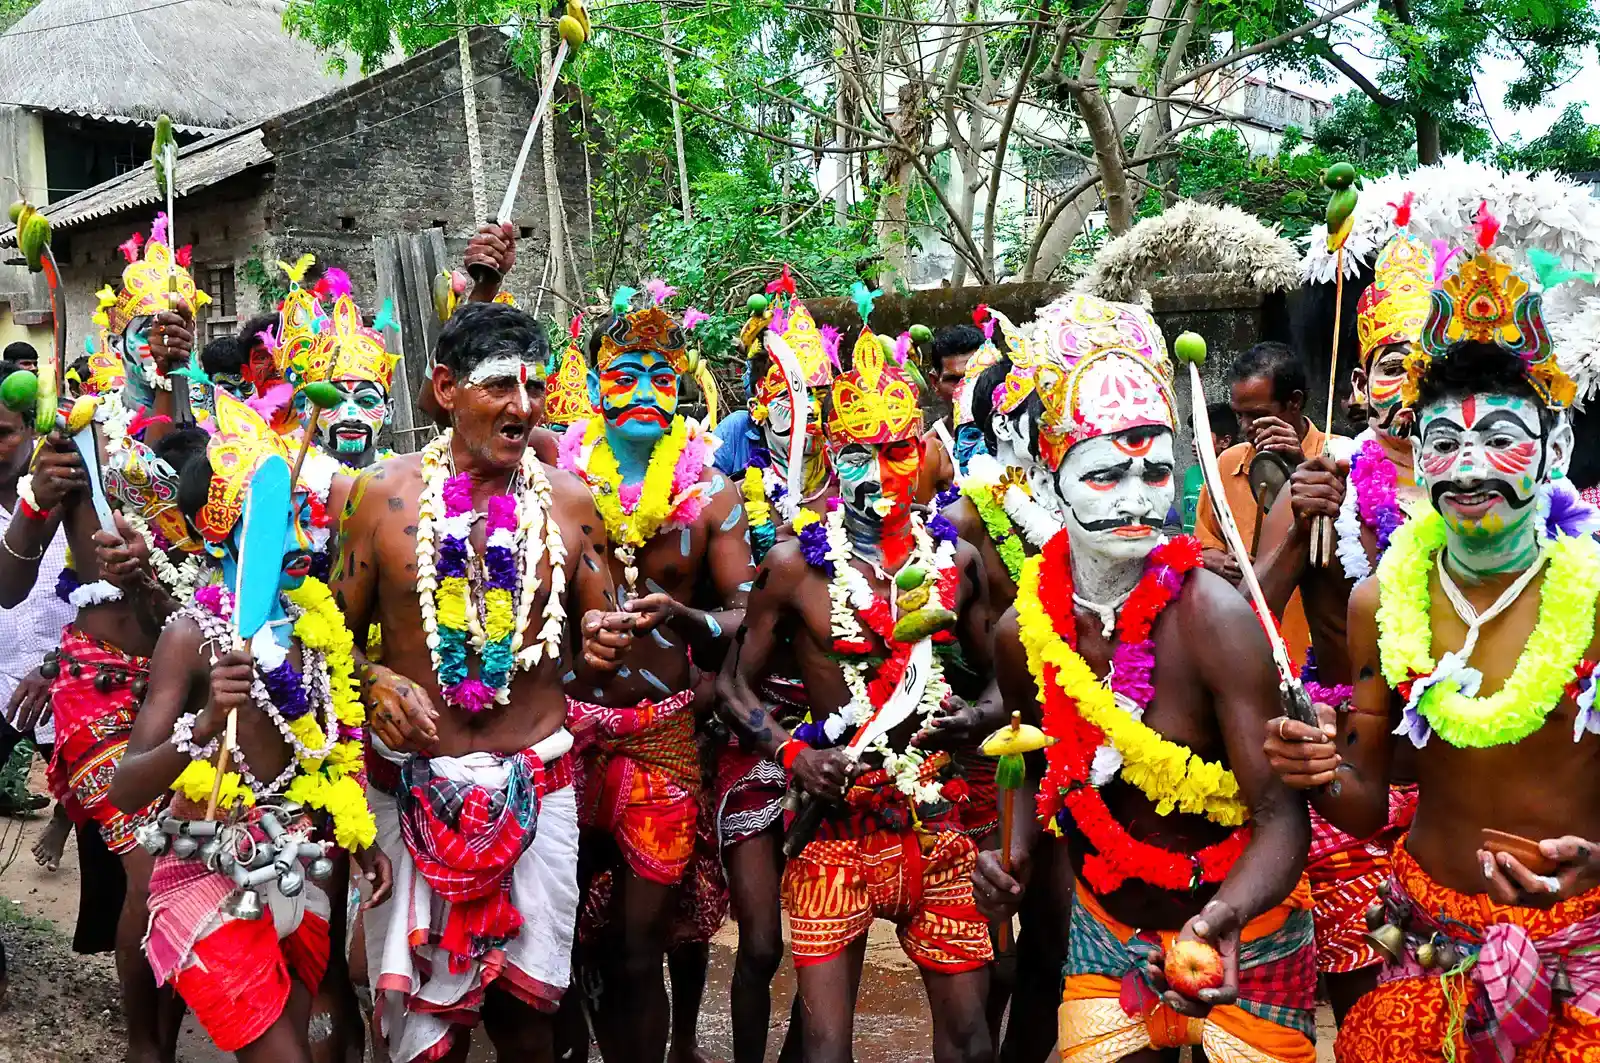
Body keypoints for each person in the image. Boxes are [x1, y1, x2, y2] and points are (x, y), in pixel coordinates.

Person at [1264, 219, 1600, 1062]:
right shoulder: (1388, 594)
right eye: (1445, 441)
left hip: (1581, 944)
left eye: (1501, 438)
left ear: (1555, 447)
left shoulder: (1596, 593)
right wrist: (1314, 770)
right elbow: (1368, 799)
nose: (1470, 466)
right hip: (1427, 940)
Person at [972, 292, 1315, 1063]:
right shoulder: (1021, 633)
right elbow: (1038, 766)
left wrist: (1224, 913)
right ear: (1048, 476)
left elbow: (1281, 814)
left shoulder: (1212, 618)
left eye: (1155, 470)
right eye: (1105, 475)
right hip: (1107, 931)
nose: (1136, 500)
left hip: (1246, 932)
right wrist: (1015, 858)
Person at [333, 300, 624, 1063]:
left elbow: (609, 639)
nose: (523, 406)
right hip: (408, 789)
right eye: (501, 385)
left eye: (536, 387)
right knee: (420, 1037)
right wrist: (370, 681)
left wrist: (603, 640)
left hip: (537, 783)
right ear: (445, 389)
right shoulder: (379, 500)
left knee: (530, 1021)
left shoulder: (570, 502)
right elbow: (323, 642)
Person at [718, 313, 999, 1063]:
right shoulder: (794, 567)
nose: (880, 473)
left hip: (937, 822)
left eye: (897, 450)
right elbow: (732, 688)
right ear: (833, 457)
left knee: (972, 1038)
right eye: (860, 455)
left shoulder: (959, 558)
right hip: (834, 825)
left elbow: (1009, 685)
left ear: (925, 452)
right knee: (824, 1048)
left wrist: (973, 719)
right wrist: (790, 753)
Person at [108, 392, 391, 1062]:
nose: (295, 538)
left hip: (302, 873)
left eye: (299, 514)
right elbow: (124, 788)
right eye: (271, 520)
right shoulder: (192, 636)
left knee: (302, 1044)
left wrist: (365, 840)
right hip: (210, 873)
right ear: (219, 530)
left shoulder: (319, 631)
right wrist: (205, 723)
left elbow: (334, 761)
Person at [0, 212, 202, 1063]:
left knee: (197, 868)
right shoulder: (77, 437)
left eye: (177, 325)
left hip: (196, 680)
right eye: (142, 325)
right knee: (148, 870)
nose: (159, 338)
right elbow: (9, 583)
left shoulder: (224, 435)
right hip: (100, 688)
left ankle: (177, 1029)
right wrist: (38, 497)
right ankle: (144, 1050)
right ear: (115, 335)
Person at [554, 285, 752, 1063]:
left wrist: (683, 616)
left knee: (641, 947)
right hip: (565, 733)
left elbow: (743, 616)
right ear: (595, 380)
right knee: (561, 939)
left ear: (683, 386)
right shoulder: (555, 478)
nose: (641, 391)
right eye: (624, 373)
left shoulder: (711, 495)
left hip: (664, 734)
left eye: (660, 377)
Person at [1252, 230, 1434, 1023]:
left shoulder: (1496, 490)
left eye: (1431, 361)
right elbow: (1253, 612)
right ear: (1359, 381)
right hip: (1351, 764)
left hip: (1458, 784)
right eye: (1394, 362)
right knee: (1369, 1013)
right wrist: (1299, 524)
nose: (1413, 383)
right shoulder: (1327, 478)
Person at [712, 282, 840, 1063]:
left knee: (829, 940)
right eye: (781, 396)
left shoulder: (873, 481)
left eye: (812, 397)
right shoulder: (734, 472)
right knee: (759, 944)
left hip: (848, 737)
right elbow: (729, 632)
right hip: (756, 719)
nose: (798, 411)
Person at [1194, 341, 1322, 662]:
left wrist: (1303, 466)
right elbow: (1201, 546)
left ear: (1294, 403)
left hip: (1314, 649)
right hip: (1244, 647)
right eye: (1240, 416)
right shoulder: (1226, 463)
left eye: (1257, 416)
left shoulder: (1341, 456)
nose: (1245, 428)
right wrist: (1219, 562)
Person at [0, 360, 75, 862]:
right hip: (0, 679)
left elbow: (105, 594)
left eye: (3, 432)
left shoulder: (72, 490)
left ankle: (62, 823)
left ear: (32, 425)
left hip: (70, 678)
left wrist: (56, 665)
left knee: (96, 805)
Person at [919, 317, 990, 500]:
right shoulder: (931, 452)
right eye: (954, 380)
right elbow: (922, 523)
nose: (966, 388)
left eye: (975, 377)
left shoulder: (1017, 434)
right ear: (935, 382)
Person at [1181, 402, 1239, 532]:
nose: (1193, 443)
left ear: (1225, 441)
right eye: (1193, 436)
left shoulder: (1238, 477)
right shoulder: (1191, 474)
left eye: (1201, 435)